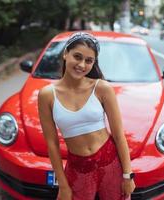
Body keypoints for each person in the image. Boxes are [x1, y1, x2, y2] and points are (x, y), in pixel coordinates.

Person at [38, 32, 135, 200]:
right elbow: (52, 144)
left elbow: (119, 136)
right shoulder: (47, 95)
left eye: (89, 60)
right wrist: (63, 184)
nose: (82, 65)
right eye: (77, 56)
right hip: (78, 168)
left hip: (110, 162)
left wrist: (128, 175)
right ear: (65, 53)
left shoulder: (102, 88)